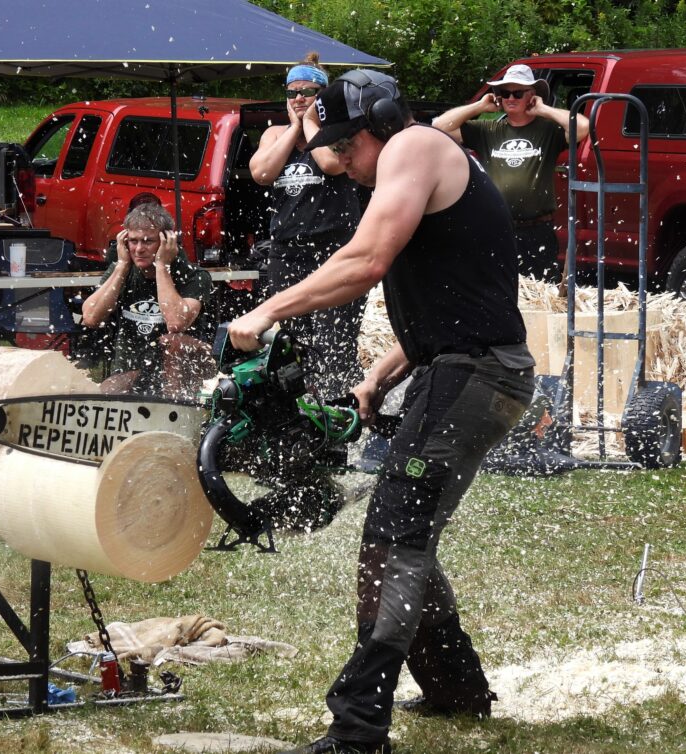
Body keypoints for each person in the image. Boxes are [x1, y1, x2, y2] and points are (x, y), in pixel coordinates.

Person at [228, 70, 536, 754]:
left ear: (371, 130)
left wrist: (266, 308)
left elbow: (365, 260)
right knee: (407, 533)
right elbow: (458, 295)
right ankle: (456, 690)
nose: (347, 168)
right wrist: (380, 375)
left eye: (345, 150)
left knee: (391, 540)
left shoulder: (414, 147)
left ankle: (359, 727)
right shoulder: (414, 165)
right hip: (463, 368)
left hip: (475, 374)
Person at [249, 52, 367, 398]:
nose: (299, 98)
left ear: (323, 95)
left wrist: (311, 124)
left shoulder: (335, 131)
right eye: (292, 93)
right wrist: (295, 129)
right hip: (288, 252)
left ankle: (342, 407)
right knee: (296, 341)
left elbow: (331, 164)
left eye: (308, 91)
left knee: (335, 338)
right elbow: (261, 173)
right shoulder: (274, 135)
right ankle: (304, 409)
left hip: (334, 249)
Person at [432, 63, 589, 284]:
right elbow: (439, 127)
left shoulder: (547, 130)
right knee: (496, 288)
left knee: (538, 291)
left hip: (537, 229)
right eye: (505, 93)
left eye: (517, 93)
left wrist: (543, 109)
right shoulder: (487, 130)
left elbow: (583, 127)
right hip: (496, 226)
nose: (510, 98)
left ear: (531, 96)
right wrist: (478, 107)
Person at [81, 203, 213, 398]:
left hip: (182, 372)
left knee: (172, 341)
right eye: (133, 241)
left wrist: (161, 265)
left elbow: (176, 323)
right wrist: (122, 265)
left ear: (166, 241)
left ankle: (174, 409)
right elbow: (91, 317)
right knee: (106, 395)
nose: (139, 249)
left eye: (147, 241)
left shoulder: (194, 276)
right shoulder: (123, 270)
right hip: (133, 368)